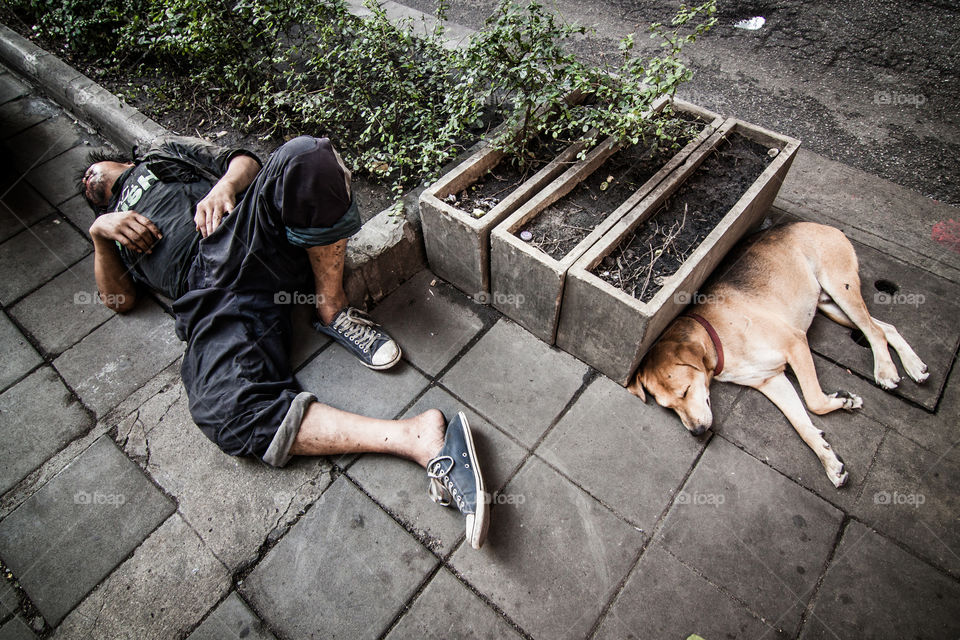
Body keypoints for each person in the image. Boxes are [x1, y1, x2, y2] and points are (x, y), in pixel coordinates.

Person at [80, 135, 489, 548]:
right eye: (84, 188)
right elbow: (119, 300)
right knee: (223, 411)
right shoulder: (109, 229)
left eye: (90, 170)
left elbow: (246, 162)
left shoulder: (158, 153)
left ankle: (332, 309)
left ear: (116, 160)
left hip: (241, 234)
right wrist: (100, 233)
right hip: (206, 297)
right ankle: (417, 438)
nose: (86, 179)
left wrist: (224, 186)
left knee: (307, 156)